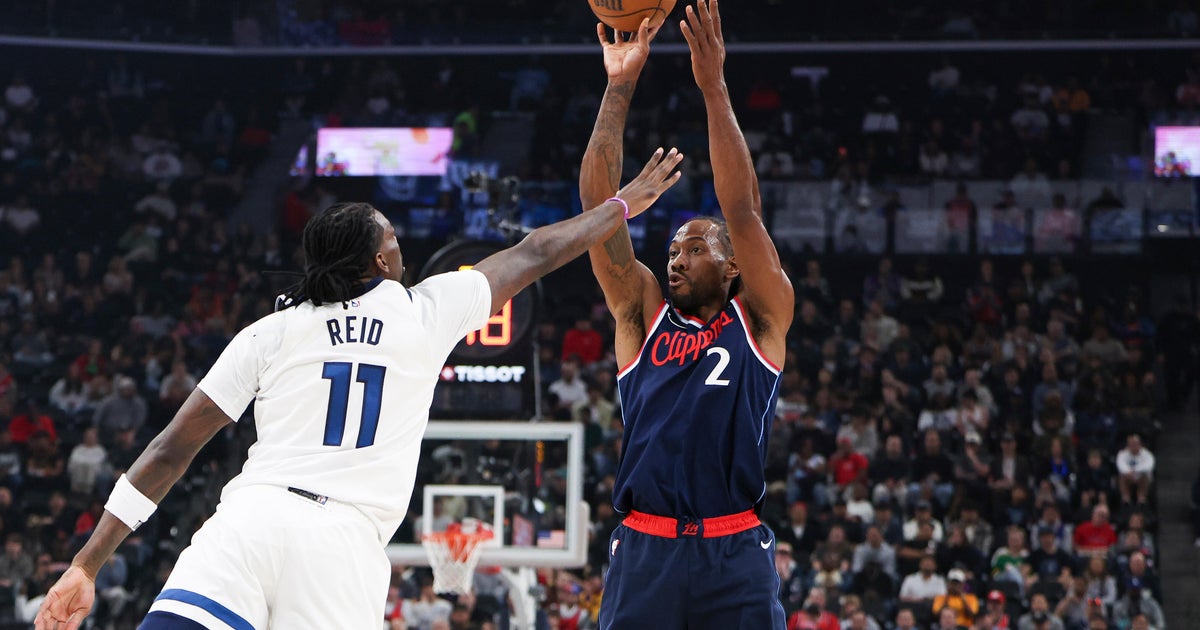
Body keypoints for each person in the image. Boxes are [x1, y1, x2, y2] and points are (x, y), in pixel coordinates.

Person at [35, 152, 684, 629]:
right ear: (380, 262)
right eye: (394, 240)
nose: (401, 249)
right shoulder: (424, 310)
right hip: (341, 546)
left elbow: (168, 452)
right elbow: (535, 252)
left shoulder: (271, 330)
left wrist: (86, 566)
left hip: (249, 520)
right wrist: (621, 205)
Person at [579, 2, 794, 628]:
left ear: (732, 266)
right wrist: (619, 86)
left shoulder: (760, 319)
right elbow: (596, 208)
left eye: (695, 249)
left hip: (735, 548)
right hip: (646, 547)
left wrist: (713, 86)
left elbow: (742, 209)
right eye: (673, 250)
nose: (676, 259)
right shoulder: (641, 311)